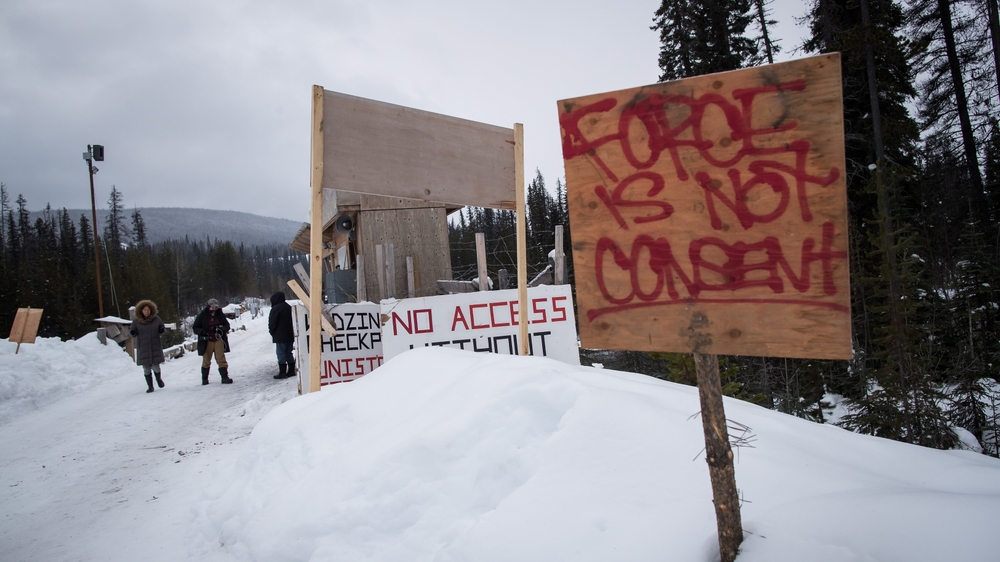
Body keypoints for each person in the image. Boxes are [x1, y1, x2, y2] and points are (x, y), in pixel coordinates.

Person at [193, 298, 233, 385]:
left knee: (221, 358)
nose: (214, 309)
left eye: (216, 307)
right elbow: (195, 328)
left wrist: (221, 329)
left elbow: (227, 325)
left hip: (218, 338)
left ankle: (224, 377)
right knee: (206, 360)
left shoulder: (220, 314)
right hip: (207, 340)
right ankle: (204, 379)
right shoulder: (202, 315)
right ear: (208, 307)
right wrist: (203, 332)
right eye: (212, 307)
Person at [129, 299, 166, 393]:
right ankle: (150, 386)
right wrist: (133, 332)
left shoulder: (156, 319)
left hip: (155, 346)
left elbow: (163, 329)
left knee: (155, 366)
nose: (147, 312)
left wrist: (162, 330)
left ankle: (159, 380)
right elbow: (131, 333)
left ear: (151, 310)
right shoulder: (136, 321)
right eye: (145, 310)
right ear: (141, 311)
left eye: (148, 310)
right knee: (146, 368)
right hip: (143, 347)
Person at [268, 291, 296, 380]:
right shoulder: (289, 307)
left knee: (281, 353)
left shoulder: (275, 308)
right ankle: (291, 370)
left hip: (280, 336)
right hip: (290, 335)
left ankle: (282, 372)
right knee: (289, 352)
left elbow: (272, 323)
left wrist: (272, 332)